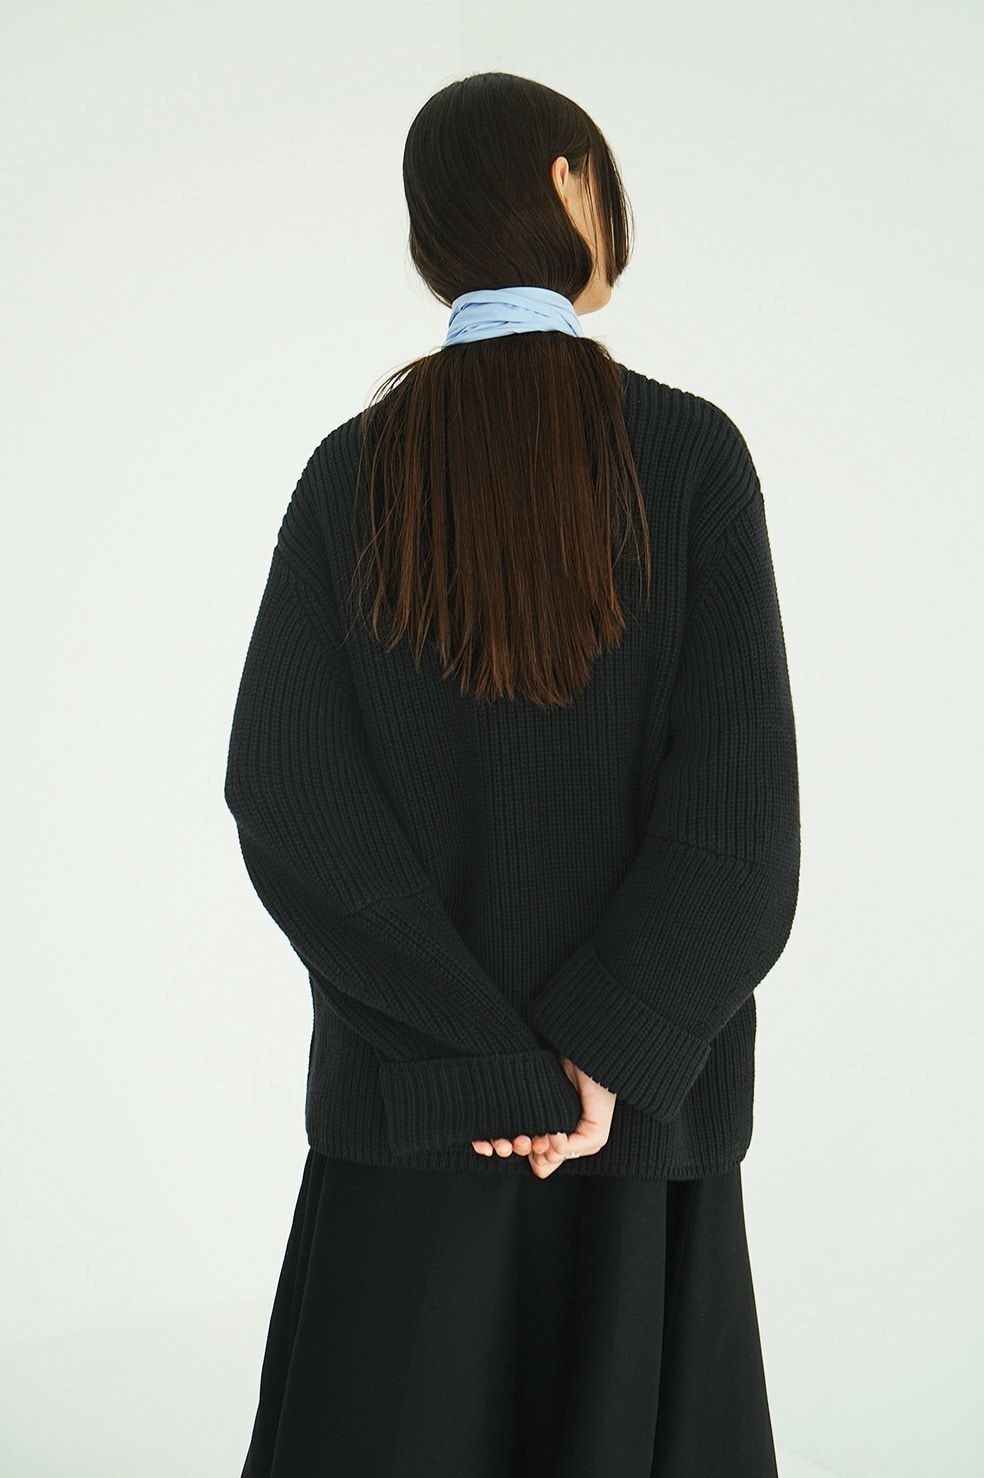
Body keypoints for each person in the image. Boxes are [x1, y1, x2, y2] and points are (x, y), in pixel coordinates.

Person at [224, 69, 800, 1478]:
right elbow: (738, 825)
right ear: (564, 183)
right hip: (636, 1142)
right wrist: (598, 1057)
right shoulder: (691, 458)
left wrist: (479, 1065)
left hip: (410, 1131)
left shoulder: (350, 473)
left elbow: (292, 801)